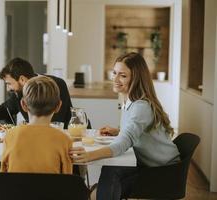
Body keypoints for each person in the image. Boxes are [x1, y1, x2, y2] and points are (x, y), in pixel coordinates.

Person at [70, 52, 181, 200]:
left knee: (111, 172)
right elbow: (137, 133)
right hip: (149, 165)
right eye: (114, 73)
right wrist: (119, 131)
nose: (115, 79)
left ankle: (95, 194)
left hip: (163, 172)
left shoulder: (141, 106)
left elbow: (123, 144)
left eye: (122, 75)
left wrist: (88, 156)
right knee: (110, 174)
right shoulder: (130, 101)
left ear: (136, 78)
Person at [0, 76, 72, 174]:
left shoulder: (10, 136)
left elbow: (3, 175)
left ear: (23, 105)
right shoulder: (64, 140)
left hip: (16, 189)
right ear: (58, 106)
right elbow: (67, 181)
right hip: (50, 190)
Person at [0, 57, 72, 128]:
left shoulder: (55, 85)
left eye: (9, 84)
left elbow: (56, 123)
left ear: (22, 79)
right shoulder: (19, 92)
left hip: (63, 137)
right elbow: (5, 109)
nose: (8, 89)